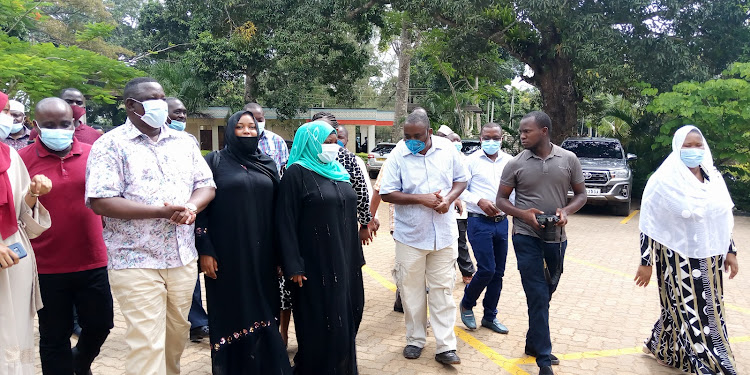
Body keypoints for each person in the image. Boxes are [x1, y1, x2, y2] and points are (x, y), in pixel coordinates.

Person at [85, 77, 216, 375]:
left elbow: (206, 185)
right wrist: (160, 211)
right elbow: (101, 201)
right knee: (147, 342)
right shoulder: (110, 145)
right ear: (132, 105)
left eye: (162, 96)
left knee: (176, 337)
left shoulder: (184, 142)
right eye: (153, 98)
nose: (162, 103)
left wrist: (192, 206)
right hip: (135, 259)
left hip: (181, 258)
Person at [18, 98, 113, 375]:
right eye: (49, 125)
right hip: (46, 263)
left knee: (100, 324)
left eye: (64, 123)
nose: (58, 129)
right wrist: (32, 194)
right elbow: (14, 209)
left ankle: (79, 363)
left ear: (75, 124)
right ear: (36, 126)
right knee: (53, 336)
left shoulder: (94, 153)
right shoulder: (21, 161)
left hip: (92, 257)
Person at [635, 125, 739, 374]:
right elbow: (650, 223)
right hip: (676, 258)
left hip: (710, 257)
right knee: (695, 312)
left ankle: (662, 348)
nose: (694, 150)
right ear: (677, 148)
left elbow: (722, 217)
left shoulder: (713, 178)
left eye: (698, 145)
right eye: (688, 146)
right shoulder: (663, 181)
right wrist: (646, 261)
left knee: (687, 308)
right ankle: (714, 364)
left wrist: (730, 251)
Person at [195, 110, 292, 375]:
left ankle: (266, 366)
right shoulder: (214, 161)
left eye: (252, 127)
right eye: (241, 127)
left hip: (263, 254)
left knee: (264, 306)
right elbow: (202, 209)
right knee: (231, 309)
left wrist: (282, 255)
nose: (248, 131)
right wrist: (205, 249)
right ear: (230, 131)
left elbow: (278, 212)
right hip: (227, 254)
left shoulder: (268, 163)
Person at [495, 111, 586, 375]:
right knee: (536, 293)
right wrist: (523, 214)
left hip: (557, 237)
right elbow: (501, 200)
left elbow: (581, 195)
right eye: (521, 132)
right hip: (525, 235)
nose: (521, 136)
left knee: (548, 290)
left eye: (527, 131)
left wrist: (566, 211)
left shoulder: (569, 160)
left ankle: (533, 342)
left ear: (544, 131)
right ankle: (544, 361)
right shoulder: (515, 163)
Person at [276, 120, 364, 375]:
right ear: (310, 143)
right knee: (323, 323)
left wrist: (356, 258)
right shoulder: (296, 173)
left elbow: (349, 216)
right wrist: (292, 264)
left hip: (346, 261)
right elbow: (285, 221)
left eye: (334, 140)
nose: (332, 145)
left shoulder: (338, 171)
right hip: (314, 265)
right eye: (325, 141)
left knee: (350, 314)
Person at [379, 111, 467, 365]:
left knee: (442, 291)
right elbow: (387, 193)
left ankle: (445, 347)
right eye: (407, 136)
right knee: (411, 292)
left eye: (417, 136)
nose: (412, 141)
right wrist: (422, 198)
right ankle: (415, 340)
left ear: (429, 133)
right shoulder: (399, 154)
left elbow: (461, 180)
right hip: (411, 236)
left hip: (444, 234)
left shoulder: (448, 149)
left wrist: (448, 200)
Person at [0, 91, 53, 375]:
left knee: (17, 327)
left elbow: (21, 211)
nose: (7, 117)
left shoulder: (9, 156)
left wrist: (32, 194)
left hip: (14, 254)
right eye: (4, 110)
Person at [458, 123, 513, 334]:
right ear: (480, 139)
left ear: (502, 138)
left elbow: (515, 192)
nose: (491, 141)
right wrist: (479, 200)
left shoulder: (510, 162)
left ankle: (490, 316)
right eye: (487, 138)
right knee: (487, 269)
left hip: (502, 222)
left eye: (496, 137)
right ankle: (467, 303)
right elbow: (460, 190)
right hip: (478, 221)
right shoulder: (470, 161)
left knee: (498, 273)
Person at [165, 96, 210, 342]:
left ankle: (196, 322)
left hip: (187, 221)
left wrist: (193, 206)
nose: (181, 117)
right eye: (176, 113)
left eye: (183, 113)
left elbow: (202, 181)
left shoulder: (189, 142)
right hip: (151, 231)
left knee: (189, 272)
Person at [311, 112, 372, 242]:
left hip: (342, 227)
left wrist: (364, 224)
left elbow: (361, 192)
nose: (322, 134)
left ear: (336, 131)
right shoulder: (302, 158)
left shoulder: (348, 159)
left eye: (326, 129)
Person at [442, 131, 475, 283]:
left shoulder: (465, 159)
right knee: (451, 243)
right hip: (447, 209)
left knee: (461, 240)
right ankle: (459, 272)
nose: (456, 142)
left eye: (458, 139)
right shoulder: (442, 159)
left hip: (463, 210)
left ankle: (466, 272)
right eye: (453, 140)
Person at [30, 88, 101, 145]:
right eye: (69, 101)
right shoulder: (40, 130)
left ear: (84, 107)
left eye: (79, 103)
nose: (74, 105)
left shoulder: (94, 134)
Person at [244, 103, 289, 175]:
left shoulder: (277, 141)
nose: (257, 123)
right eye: (253, 120)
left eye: (260, 120)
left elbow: (282, 168)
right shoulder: (238, 141)